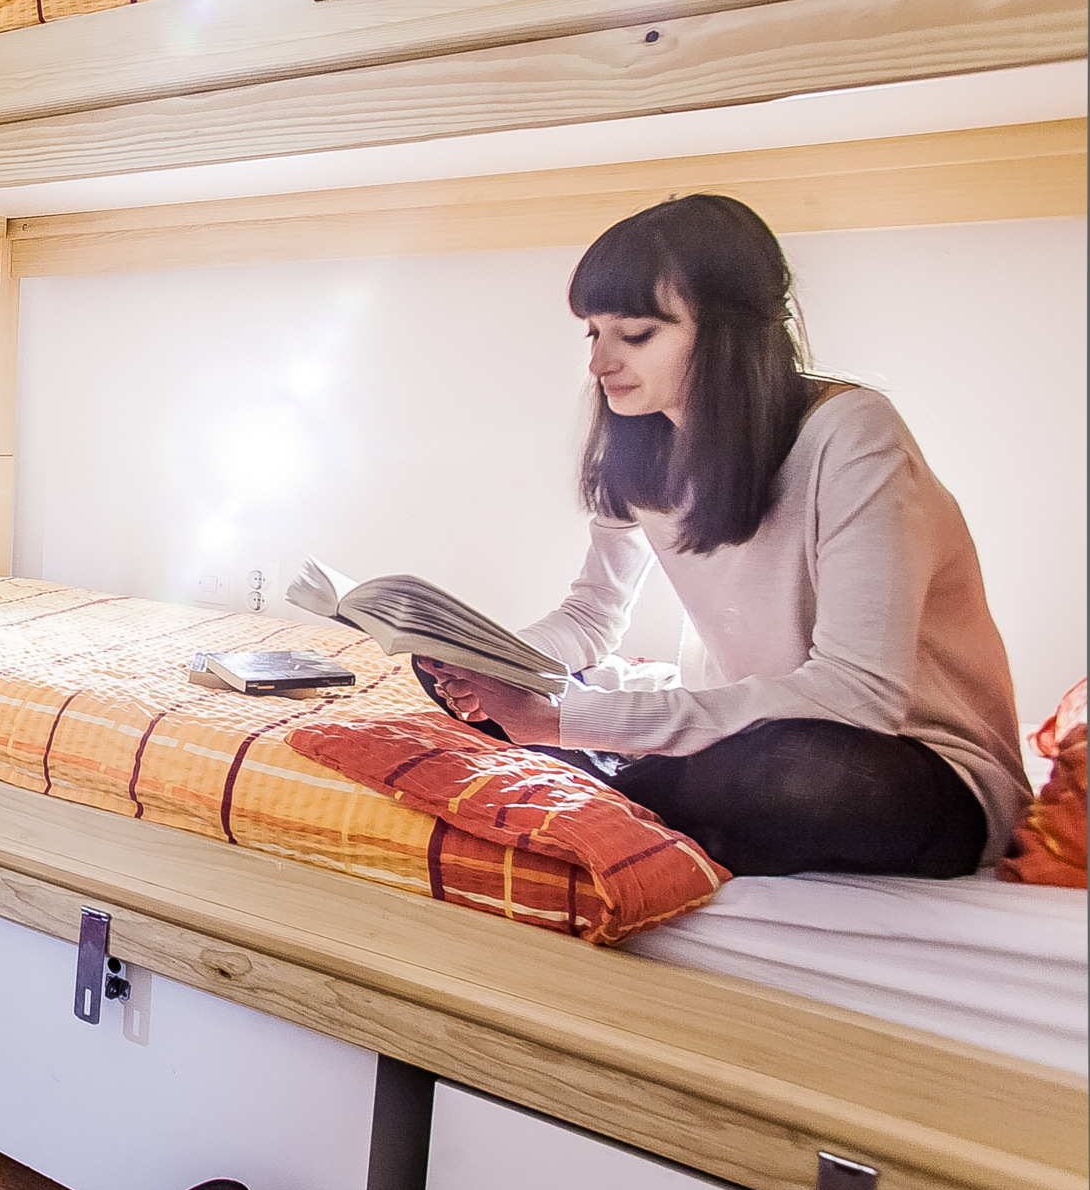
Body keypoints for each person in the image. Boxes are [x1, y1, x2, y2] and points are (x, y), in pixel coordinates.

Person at [417, 195, 1026, 879]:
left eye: (636, 334)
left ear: (728, 332)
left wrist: (564, 719)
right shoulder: (643, 442)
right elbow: (591, 616)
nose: (600, 363)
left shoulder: (854, 435)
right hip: (740, 733)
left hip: (905, 761)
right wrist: (493, 666)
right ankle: (630, 780)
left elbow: (857, 695)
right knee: (448, 679)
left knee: (799, 774)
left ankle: (610, 776)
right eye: (594, 333)